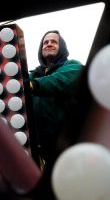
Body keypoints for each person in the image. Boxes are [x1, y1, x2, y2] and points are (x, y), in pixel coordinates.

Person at [27, 30, 84, 169]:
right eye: (45, 42)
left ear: (62, 47)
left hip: (66, 146)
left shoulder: (73, 67)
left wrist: (32, 85)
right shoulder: (31, 75)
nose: (49, 44)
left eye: (54, 41)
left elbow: (59, 81)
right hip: (37, 151)